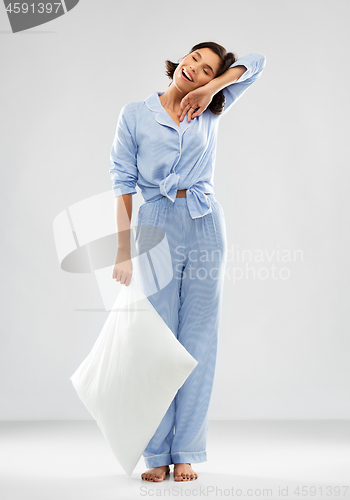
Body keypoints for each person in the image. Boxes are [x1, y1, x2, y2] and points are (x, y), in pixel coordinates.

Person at [110, 42, 266, 482]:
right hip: (156, 221)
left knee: (198, 339)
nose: (193, 67)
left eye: (206, 68)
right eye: (193, 58)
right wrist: (123, 250)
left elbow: (257, 61)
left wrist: (212, 89)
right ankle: (156, 451)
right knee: (158, 342)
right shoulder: (135, 114)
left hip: (204, 221)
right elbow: (122, 182)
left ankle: (187, 451)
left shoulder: (213, 109)